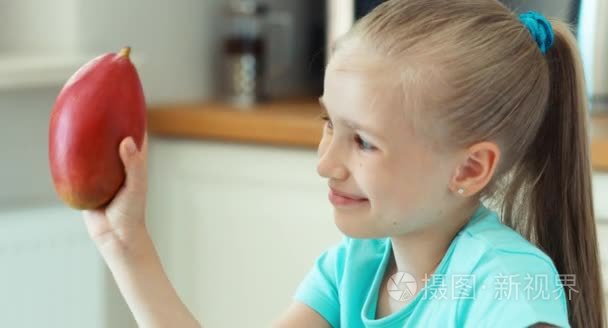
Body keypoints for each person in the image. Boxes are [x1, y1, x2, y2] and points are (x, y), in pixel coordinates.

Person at [82, 0, 606, 327]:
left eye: (364, 143)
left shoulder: (504, 286)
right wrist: (125, 243)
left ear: (469, 170)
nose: (326, 163)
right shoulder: (350, 270)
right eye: (329, 124)